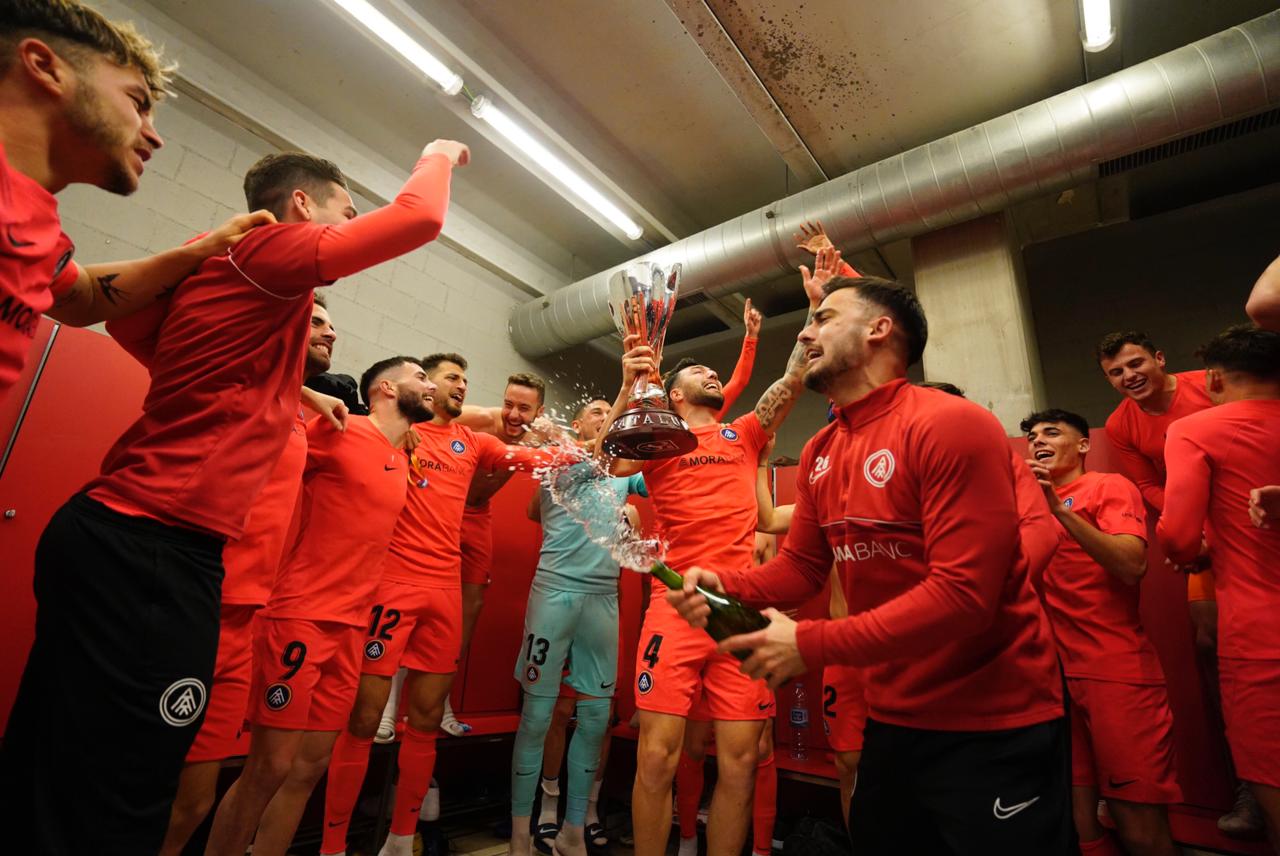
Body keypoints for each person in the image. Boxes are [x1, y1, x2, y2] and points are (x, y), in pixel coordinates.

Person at [0, 135, 468, 853]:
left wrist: (292, 387)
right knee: (125, 793)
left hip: (139, 537)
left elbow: (130, 326)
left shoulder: (218, 265)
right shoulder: (268, 249)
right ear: (302, 206)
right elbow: (418, 220)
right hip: (152, 542)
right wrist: (438, 152)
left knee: (84, 771)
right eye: (342, 210)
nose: (347, 224)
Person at [669, 274, 1071, 854]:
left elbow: (965, 596)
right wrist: (723, 584)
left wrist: (809, 644)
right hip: (894, 717)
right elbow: (802, 570)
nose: (807, 331)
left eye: (824, 318)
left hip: (994, 722)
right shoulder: (820, 450)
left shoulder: (950, 423)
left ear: (880, 329)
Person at [605, 253, 825, 856]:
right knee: (656, 756)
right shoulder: (658, 439)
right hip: (675, 606)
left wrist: (814, 307)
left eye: (712, 370)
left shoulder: (745, 432)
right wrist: (630, 384)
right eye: (698, 370)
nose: (710, 374)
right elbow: (606, 463)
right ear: (674, 394)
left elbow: (794, 376)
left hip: (738, 608)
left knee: (740, 764)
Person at [321, 353, 561, 856]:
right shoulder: (393, 431)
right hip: (392, 588)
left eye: (464, 379)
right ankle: (334, 845)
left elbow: (555, 459)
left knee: (426, 721)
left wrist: (624, 397)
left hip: (444, 592)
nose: (461, 385)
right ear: (426, 386)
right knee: (363, 722)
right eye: (451, 378)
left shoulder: (475, 442)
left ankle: (400, 840)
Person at [203, 357, 433, 856]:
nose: (432, 385)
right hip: (300, 615)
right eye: (422, 376)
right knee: (268, 769)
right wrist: (308, 396)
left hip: (353, 626)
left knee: (306, 771)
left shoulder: (402, 455)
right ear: (386, 388)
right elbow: (269, 445)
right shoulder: (338, 429)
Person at [0, 0, 275, 401]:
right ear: (44, 66)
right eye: (137, 103)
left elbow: (88, 297)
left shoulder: (37, 230)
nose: (154, 136)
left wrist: (205, 249)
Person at [149, 295, 336, 856]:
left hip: (246, 618)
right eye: (318, 322)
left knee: (193, 802)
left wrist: (305, 393)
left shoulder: (301, 414)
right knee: (145, 787)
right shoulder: (242, 380)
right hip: (191, 603)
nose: (330, 332)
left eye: (333, 326)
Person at [1095, 330, 1259, 834]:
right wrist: (1192, 522)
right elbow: (1147, 484)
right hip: (1202, 540)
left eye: (1136, 363)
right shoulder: (1120, 424)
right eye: (1116, 373)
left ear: (1160, 358)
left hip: (1257, 520)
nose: (1130, 377)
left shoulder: (1207, 385)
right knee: (1212, 646)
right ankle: (1250, 785)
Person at [1022, 408, 1181, 856]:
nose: (1038, 440)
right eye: (1032, 435)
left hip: (1116, 673)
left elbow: (1132, 565)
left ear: (1084, 444)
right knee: (1082, 824)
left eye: (1051, 432)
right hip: (1054, 680)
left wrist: (1058, 510)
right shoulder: (1029, 506)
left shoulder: (1107, 486)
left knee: (1139, 824)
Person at [1157, 324, 1280, 852]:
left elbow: (1179, 536)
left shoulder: (1196, 428)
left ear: (1211, 378)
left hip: (1262, 632)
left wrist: (1193, 551)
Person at [508, 397, 647, 856]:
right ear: (578, 423)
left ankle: (572, 830)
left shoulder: (623, 476)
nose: (606, 417)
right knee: (538, 716)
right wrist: (628, 385)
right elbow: (534, 508)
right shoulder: (559, 460)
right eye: (597, 410)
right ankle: (521, 834)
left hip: (602, 599)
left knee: (593, 718)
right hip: (555, 593)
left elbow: (669, 470)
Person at [442, 372, 551, 736]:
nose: (513, 415)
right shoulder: (481, 420)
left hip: (479, 516)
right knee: (420, 600)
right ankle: (390, 708)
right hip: (446, 512)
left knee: (469, 611)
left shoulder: (540, 435)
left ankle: (442, 701)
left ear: (540, 411)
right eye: (508, 404)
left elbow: (577, 451)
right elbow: (428, 417)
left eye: (524, 408)